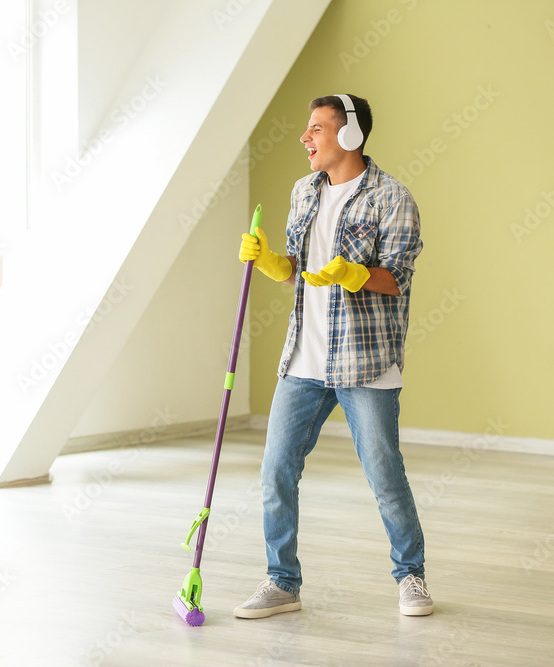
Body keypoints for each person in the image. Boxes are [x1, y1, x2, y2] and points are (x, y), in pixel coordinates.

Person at [233, 94, 432, 619]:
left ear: (349, 136)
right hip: (304, 358)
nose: (306, 137)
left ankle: (411, 576)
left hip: (367, 362)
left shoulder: (392, 198)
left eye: (317, 128)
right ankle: (282, 582)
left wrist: (357, 273)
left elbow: (398, 278)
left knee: (384, 475)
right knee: (276, 469)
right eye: (308, 128)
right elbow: (299, 266)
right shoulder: (304, 190)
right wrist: (274, 263)